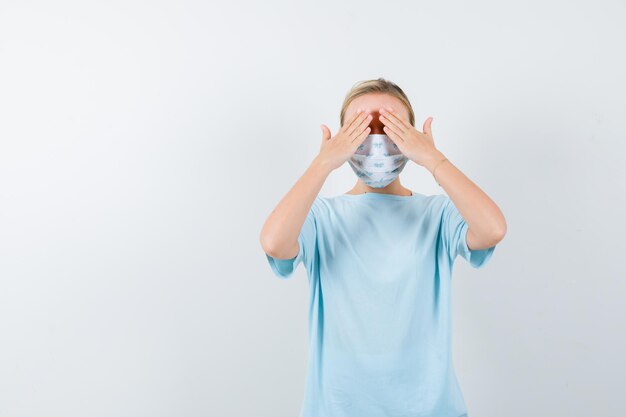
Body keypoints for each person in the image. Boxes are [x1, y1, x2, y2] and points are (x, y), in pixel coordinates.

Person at [259, 78, 507, 417]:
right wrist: (323, 164)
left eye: (390, 127)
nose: (376, 139)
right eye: (361, 129)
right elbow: (274, 242)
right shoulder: (321, 218)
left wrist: (433, 159)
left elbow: (492, 229)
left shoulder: (436, 215)